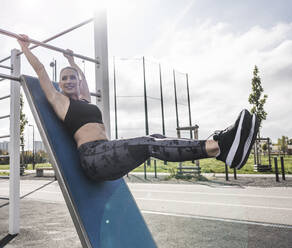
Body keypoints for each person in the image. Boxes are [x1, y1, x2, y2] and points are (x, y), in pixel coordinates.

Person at [17, 35, 259, 181]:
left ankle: (223, 152)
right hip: (93, 158)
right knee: (147, 142)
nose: (69, 80)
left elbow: (83, 78)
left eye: (72, 78)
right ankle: (218, 144)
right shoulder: (60, 101)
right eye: (64, 78)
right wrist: (26, 47)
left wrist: (72, 61)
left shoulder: (85, 101)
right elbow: (40, 71)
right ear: (59, 83)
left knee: (154, 138)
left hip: (106, 152)